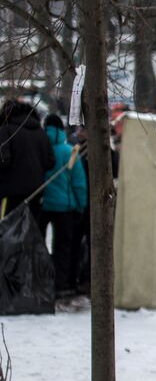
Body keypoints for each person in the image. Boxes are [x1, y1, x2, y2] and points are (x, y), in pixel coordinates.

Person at [40, 114, 87, 296]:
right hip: (65, 207)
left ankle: (43, 281)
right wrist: (81, 205)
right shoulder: (70, 152)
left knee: (40, 243)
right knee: (63, 247)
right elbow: (79, 183)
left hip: (43, 205)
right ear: (61, 129)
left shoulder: (41, 150)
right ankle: (61, 284)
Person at [0, 99, 55, 227]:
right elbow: (50, 162)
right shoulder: (40, 133)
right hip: (36, 191)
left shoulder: (6, 131)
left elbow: (4, 160)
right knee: (30, 230)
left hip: (10, 193)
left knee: (9, 231)